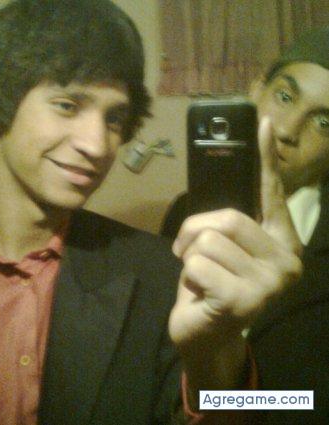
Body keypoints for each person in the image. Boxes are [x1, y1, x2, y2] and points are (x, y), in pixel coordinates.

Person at [0, 1, 301, 424]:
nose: (97, 145)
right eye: (67, 105)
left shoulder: (163, 273)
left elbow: (260, 409)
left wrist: (215, 352)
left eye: (114, 118)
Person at [162, 27, 329, 423]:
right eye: (285, 97)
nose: (287, 131)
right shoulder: (184, 214)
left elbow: (311, 402)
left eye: (324, 122)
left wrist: (235, 401)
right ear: (256, 90)